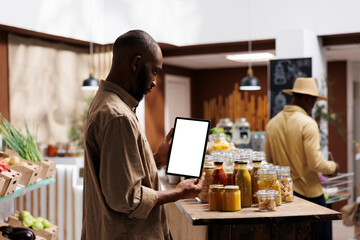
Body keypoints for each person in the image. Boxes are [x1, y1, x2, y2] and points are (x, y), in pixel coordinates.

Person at [81, 30, 205, 240]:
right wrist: (179, 193)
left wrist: (156, 159)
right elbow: (127, 199)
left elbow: (119, 174)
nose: (155, 82)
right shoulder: (118, 116)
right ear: (136, 63)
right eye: (154, 72)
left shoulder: (105, 102)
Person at [265, 77, 339, 240]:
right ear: (308, 98)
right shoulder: (308, 123)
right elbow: (316, 163)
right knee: (321, 236)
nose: (313, 106)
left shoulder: (272, 123)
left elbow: (268, 162)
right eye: (314, 101)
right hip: (309, 194)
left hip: (284, 195)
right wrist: (333, 167)